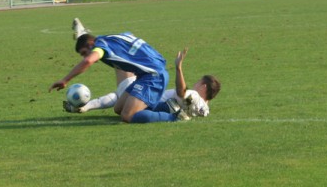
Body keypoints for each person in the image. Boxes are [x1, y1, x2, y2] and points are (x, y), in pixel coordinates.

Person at [64, 19, 220, 119]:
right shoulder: (200, 104)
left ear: (204, 86)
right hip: (145, 77)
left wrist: (178, 68)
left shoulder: (193, 96)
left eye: (199, 82)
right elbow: (199, 109)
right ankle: (87, 105)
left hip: (150, 79)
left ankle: (86, 105)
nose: (196, 83)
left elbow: (183, 93)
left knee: (126, 113)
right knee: (118, 106)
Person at [49, 29, 175, 123]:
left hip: (153, 76)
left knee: (127, 116)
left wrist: (65, 79)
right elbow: (128, 34)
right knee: (118, 108)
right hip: (145, 74)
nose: (85, 56)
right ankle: (167, 106)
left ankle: (175, 117)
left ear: (91, 44)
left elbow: (88, 61)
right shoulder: (109, 38)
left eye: (84, 53)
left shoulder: (100, 47)